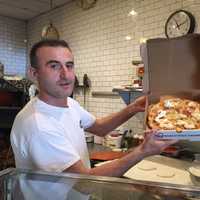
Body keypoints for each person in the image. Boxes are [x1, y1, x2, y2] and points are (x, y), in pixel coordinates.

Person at [10, 39, 176, 178]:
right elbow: (83, 182)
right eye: (54, 66)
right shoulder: (39, 125)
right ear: (34, 73)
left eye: (69, 65)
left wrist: (133, 108)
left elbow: (100, 127)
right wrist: (142, 152)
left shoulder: (69, 103)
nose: (66, 75)